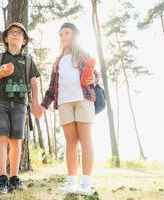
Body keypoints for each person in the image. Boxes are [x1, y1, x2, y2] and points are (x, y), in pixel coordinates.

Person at [40, 22, 99, 195]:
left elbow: (96, 76)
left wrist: (92, 81)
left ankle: (86, 183)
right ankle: (72, 181)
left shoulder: (82, 54)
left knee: (86, 140)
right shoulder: (57, 60)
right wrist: (43, 105)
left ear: (74, 35)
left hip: (83, 100)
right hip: (64, 103)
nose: (64, 36)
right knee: (71, 142)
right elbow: (52, 87)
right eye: (61, 34)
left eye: (67, 33)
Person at [0, 22, 41, 194]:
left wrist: (35, 102)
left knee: (16, 140)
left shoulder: (28, 60)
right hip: (0, 102)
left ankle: (14, 178)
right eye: (12, 32)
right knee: (1, 138)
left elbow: (33, 82)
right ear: (6, 38)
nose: (15, 34)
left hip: (20, 103)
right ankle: (2, 179)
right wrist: (1, 74)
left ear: (24, 40)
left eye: (19, 33)